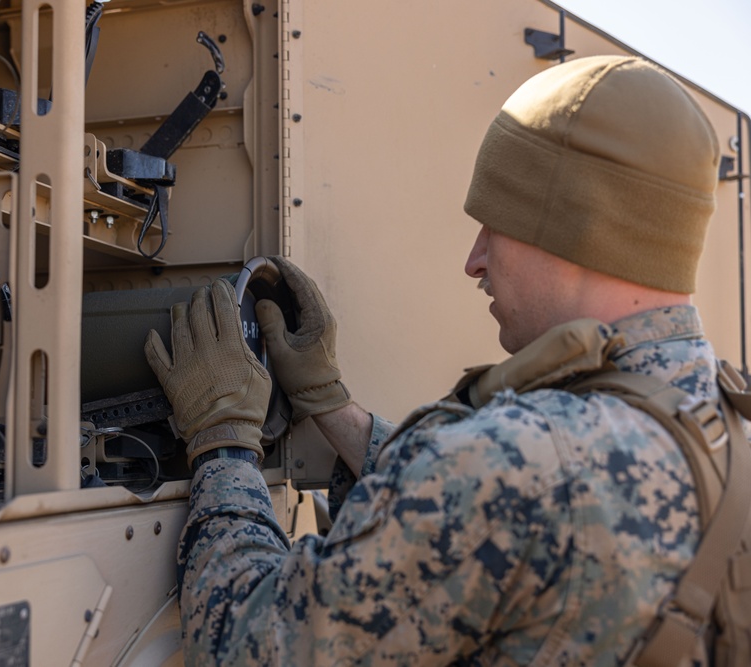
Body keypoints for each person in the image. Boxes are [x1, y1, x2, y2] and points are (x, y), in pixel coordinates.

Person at [144, 55, 724, 665]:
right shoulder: (718, 421)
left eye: (495, 224)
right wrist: (333, 406)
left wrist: (224, 444)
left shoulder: (511, 465)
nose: (474, 261)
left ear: (577, 227)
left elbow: (247, 646)